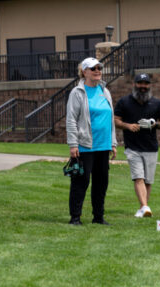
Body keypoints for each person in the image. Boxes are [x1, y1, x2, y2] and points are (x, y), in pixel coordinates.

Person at [66, 57, 117, 226]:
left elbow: (110, 118)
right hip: (85, 145)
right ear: (84, 72)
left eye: (99, 67)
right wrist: (73, 144)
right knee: (81, 182)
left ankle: (98, 217)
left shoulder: (105, 90)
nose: (97, 71)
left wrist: (113, 143)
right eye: (93, 68)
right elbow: (71, 119)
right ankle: (75, 217)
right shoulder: (77, 92)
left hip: (103, 145)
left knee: (101, 183)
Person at [114, 73, 160, 218]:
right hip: (132, 147)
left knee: (148, 180)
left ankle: (142, 209)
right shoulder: (124, 102)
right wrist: (128, 126)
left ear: (149, 85)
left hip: (151, 147)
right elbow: (116, 120)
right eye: (140, 83)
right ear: (134, 84)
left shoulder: (156, 103)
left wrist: (155, 124)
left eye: (146, 84)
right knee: (139, 177)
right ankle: (145, 206)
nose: (143, 87)